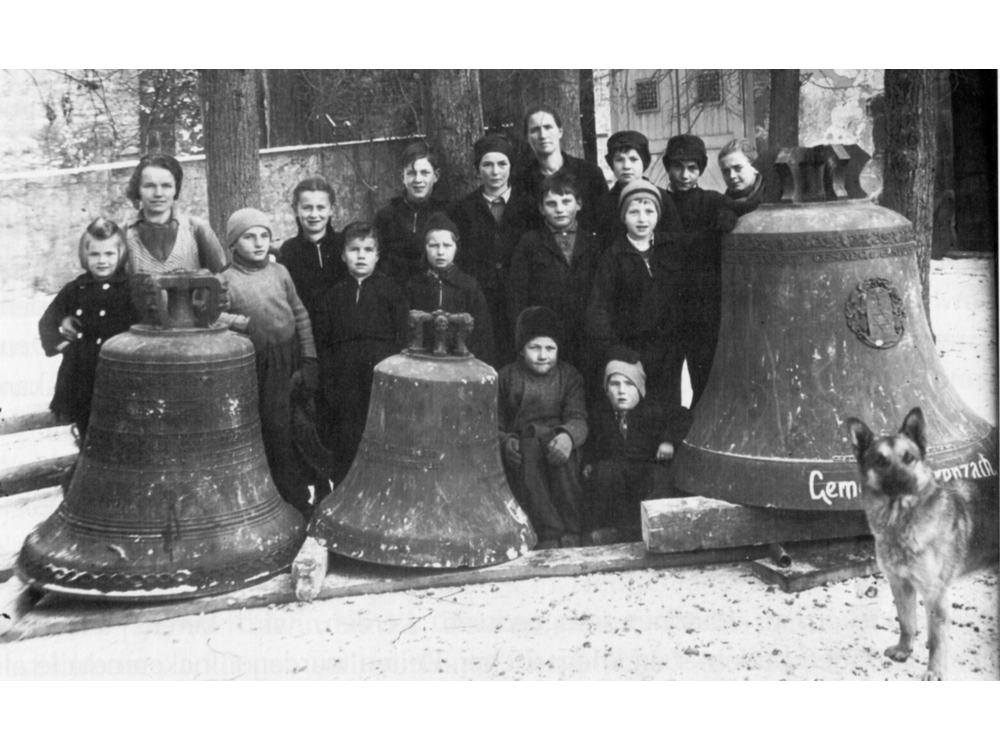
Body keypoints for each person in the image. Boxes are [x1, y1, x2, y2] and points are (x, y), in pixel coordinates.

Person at [218, 208, 317, 519]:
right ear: (233, 243)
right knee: (274, 430)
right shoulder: (225, 281)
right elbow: (211, 315)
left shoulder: (280, 273)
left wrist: (309, 357)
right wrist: (243, 323)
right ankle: (283, 501)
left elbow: (299, 313)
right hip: (260, 365)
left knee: (300, 425)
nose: (259, 243)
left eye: (264, 235)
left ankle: (304, 494)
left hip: (291, 358)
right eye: (249, 237)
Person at [664, 134, 758, 407]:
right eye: (677, 167)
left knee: (703, 378)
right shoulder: (657, 202)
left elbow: (749, 208)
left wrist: (733, 218)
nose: (684, 175)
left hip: (703, 309)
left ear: (701, 170)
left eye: (692, 168)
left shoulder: (712, 202)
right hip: (667, 307)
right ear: (667, 167)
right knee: (666, 379)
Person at [314, 222, 408, 485]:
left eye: (368, 249)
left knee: (380, 434)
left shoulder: (391, 291)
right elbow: (324, 342)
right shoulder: (334, 294)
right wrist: (329, 379)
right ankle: (346, 488)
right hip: (343, 380)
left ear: (378, 255)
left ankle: (382, 488)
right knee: (346, 437)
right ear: (343, 255)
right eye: (354, 249)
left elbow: (404, 337)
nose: (361, 255)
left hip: (380, 377)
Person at [38, 218, 140, 440]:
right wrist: (64, 345)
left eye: (109, 254)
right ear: (85, 255)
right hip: (81, 377)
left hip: (122, 376)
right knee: (87, 432)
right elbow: (46, 323)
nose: (102, 261)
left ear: (120, 254)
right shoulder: (76, 289)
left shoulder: (132, 289)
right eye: (95, 254)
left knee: (123, 433)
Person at [497, 306, 588, 550]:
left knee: (563, 458)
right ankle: (548, 532)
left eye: (550, 348)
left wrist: (569, 436)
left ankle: (572, 529)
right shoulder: (506, 377)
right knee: (529, 455)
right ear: (521, 349)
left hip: (557, 440)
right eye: (534, 347)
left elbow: (578, 418)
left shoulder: (569, 377)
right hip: (524, 445)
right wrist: (505, 441)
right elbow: (492, 423)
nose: (542, 355)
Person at [586, 181, 683, 407]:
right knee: (639, 410)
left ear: (658, 215)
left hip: (668, 351)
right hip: (631, 352)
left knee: (667, 406)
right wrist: (616, 350)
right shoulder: (613, 257)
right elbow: (598, 309)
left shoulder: (671, 248)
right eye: (634, 212)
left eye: (649, 211)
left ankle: (667, 444)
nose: (642, 219)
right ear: (623, 216)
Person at [583, 347, 692, 544]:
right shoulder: (601, 414)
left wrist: (668, 441)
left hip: (645, 467)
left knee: (659, 479)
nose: (622, 391)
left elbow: (683, 416)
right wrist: (589, 462)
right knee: (604, 473)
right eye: (614, 384)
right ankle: (613, 530)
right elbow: (592, 442)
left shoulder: (653, 410)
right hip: (618, 472)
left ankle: (637, 532)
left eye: (629, 384)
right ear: (606, 390)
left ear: (640, 390)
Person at [507, 173, 602, 382]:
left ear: (579, 204)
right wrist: (525, 336)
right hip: (546, 336)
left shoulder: (594, 243)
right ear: (541, 209)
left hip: (586, 335)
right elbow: (517, 294)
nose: (559, 209)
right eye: (551, 204)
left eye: (566, 202)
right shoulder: (530, 242)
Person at [449, 134, 536, 363]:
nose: (495, 172)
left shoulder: (529, 207)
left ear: (511, 167)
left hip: (521, 301)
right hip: (482, 303)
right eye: (487, 164)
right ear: (478, 169)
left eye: (502, 164)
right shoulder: (463, 210)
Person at [405, 212, 495, 364]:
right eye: (433, 246)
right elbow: (406, 330)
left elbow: (482, 333)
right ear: (425, 248)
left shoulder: (468, 286)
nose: (440, 252)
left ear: (456, 248)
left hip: (461, 363)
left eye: (447, 245)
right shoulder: (414, 285)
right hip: (421, 362)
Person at [123, 153, 227, 275]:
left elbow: (222, 281)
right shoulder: (124, 233)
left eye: (166, 186)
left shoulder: (197, 229)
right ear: (138, 189)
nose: (158, 193)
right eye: (149, 186)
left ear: (176, 189)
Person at [512, 106, 608, 231]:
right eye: (535, 130)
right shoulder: (521, 181)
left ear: (560, 131)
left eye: (548, 127)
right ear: (527, 137)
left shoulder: (590, 173)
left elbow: (606, 221)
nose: (542, 135)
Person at [373, 142, 450, 284]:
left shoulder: (447, 214)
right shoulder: (386, 216)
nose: (418, 180)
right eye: (411, 173)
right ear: (402, 176)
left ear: (436, 175)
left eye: (425, 173)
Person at [595, 130, 681, 250]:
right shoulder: (605, 202)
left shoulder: (661, 198)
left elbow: (675, 239)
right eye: (619, 160)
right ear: (612, 164)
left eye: (633, 159)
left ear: (644, 162)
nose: (626, 166)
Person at [277, 176, 345, 323]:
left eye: (320, 207)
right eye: (307, 208)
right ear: (295, 210)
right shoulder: (287, 252)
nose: (314, 215)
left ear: (331, 209)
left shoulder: (344, 244)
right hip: (307, 334)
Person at [718, 138, 764, 203]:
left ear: (755, 167)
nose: (731, 176)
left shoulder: (771, 196)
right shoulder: (723, 204)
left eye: (738, 168)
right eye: (725, 171)